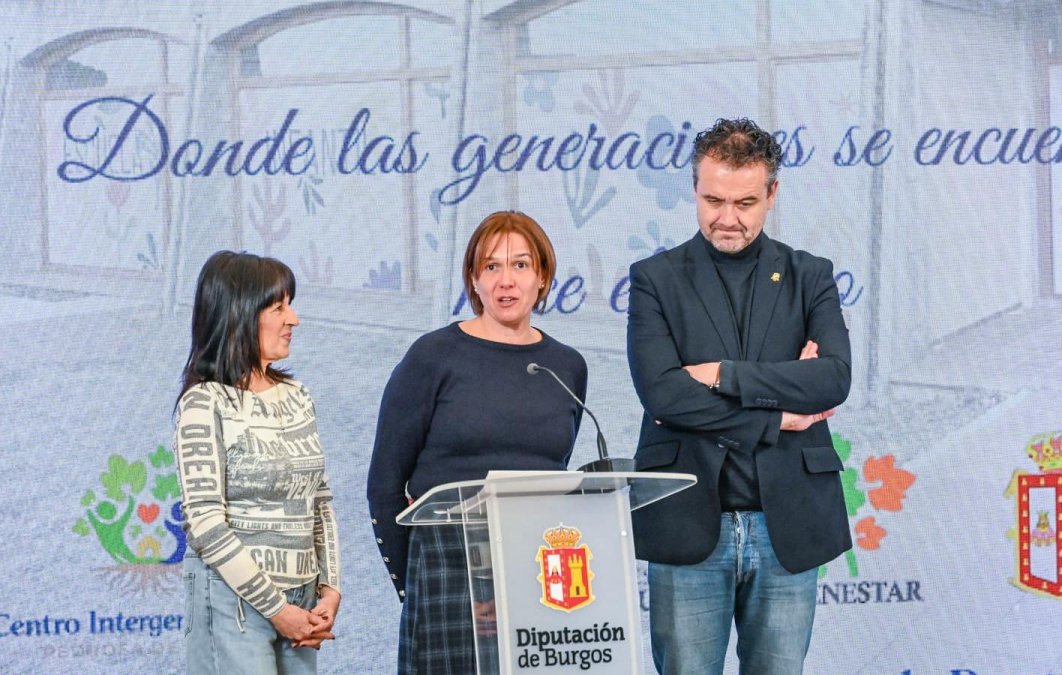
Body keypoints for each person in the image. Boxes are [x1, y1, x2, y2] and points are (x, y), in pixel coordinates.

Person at [626, 118, 852, 674]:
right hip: (686, 522)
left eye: (745, 202)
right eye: (713, 199)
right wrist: (778, 417)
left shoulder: (811, 276)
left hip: (789, 527)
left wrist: (724, 374)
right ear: (694, 189)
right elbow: (664, 395)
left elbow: (832, 378)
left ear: (772, 194)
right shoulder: (654, 279)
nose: (727, 218)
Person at [367, 211, 588, 674]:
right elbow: (385, 487)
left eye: (520, 265)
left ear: (543, 277)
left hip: (539, 577)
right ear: (473, 278)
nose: (506, 281)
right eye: (491, 267)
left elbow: (551, 470)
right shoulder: (432, 356)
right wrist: (420, 588)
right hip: (447, 577)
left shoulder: (567, 367)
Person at [175, 251, 341, 674]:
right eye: (278, 307)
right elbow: (206, 524)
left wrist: (329, 589)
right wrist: (277, 609)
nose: (294, 319)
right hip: (235, 604)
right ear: (239, 315)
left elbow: (319, 499)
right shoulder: (203, 402)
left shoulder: (298, 394)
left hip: (303, 603)